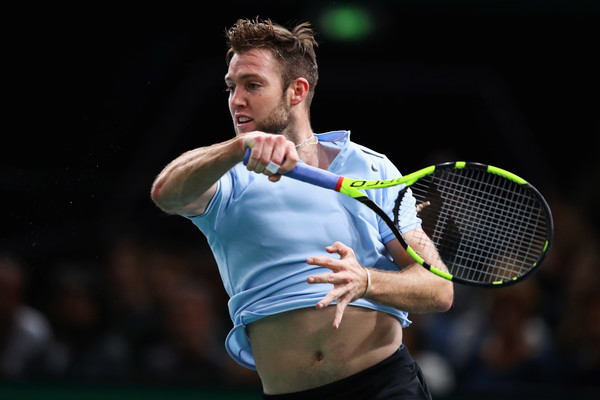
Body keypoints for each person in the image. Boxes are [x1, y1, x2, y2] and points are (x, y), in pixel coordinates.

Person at [151, 18, 453, 399]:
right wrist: (235, 149)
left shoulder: (371, 169)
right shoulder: (227, 176)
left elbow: (438, 287)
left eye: (252, 85)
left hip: (385, 385)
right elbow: (166, 193)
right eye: (231, 87)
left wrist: (367, 281)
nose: (236, 99)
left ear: (297, 91)